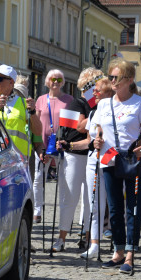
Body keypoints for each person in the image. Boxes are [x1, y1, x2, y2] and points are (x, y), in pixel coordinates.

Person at [87, 59, 141, 274]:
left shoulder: (140, 103)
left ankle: (131, 254)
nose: (112, 81)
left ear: (129, 80)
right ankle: (118, 251)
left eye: (116, 77)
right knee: (114, 208)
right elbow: (98, 131)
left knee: (132, 208)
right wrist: (96, 140)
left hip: (132, 158)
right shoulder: (104, 104)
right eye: (111, 77)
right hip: (109, 158)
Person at [51, 70, 91, 252]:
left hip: (90, 155)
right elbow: (81, 128)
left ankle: (88, 236)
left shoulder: (98, 105)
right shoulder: (78, 103)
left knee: (90, 199)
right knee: (70, 197)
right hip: (74, 155)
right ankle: (61, 238)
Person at [75, 72, 112, 260]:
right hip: (93, 160)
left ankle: (122, 245)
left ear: (107, 92)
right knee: (94, 203)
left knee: (114, 205)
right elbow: (89, 141)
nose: (94, 93)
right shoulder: (92, 112)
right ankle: (95, 245)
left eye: (97, 91)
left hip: (111, 161)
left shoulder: (113, 110)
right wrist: (68, 145)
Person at [33, 69, 74, 223]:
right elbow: (36, 122)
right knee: (38, 178)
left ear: (62, 82)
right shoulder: (41, 100)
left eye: (58, 79)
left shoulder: (69, 100)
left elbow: (72, 124)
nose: (55, 82)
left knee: (64, 180)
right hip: (43, 144)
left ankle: (64, 213)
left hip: (61, 143)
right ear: (47, 81)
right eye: (52, 79)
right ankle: (37, 210)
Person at [0, 63, 32, 169]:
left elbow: (37, 132)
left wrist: (34, 112)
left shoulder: (23, 103)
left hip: (18, 160)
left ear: (11, 82)